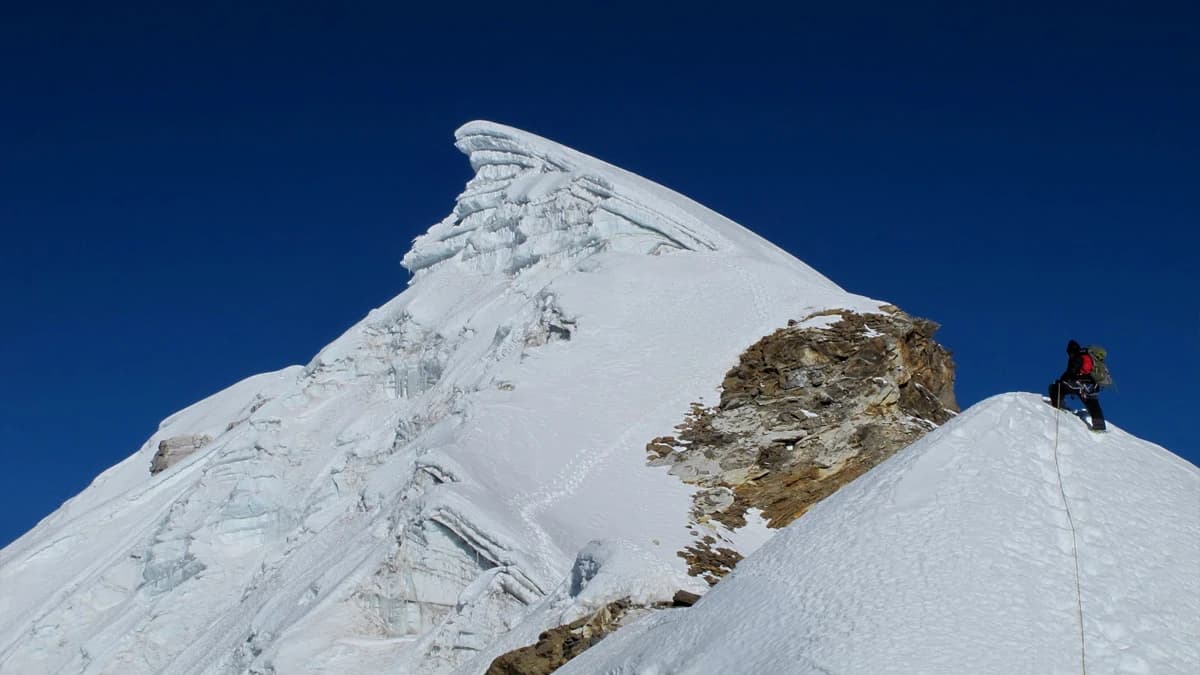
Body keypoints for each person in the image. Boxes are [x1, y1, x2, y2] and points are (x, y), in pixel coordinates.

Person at [1048, 340, 1106, 431]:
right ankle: (1100, 426)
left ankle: (1058, 406)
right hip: (1092, 386)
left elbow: (1072, 371)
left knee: (1055, 387)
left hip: (1079, 384)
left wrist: (1062, 380)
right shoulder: (1088, 356)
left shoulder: (1077, 357)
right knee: (1092, 404)